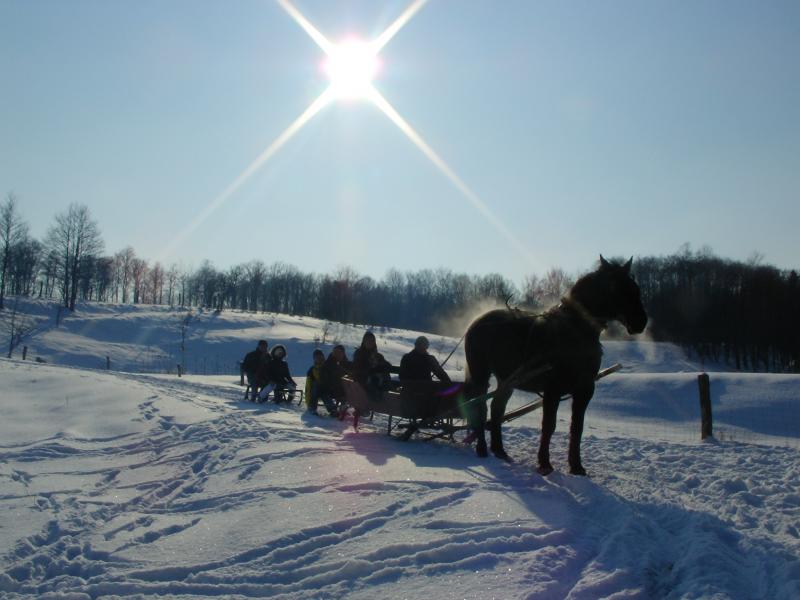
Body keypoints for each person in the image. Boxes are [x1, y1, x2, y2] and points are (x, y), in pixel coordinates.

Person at [352, 331, 394, 399]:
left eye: (372, 340)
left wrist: (381, 366)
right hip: (364, 385)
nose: (370, 342)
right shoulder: (359, 354)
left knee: (384, 377)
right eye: (368, 340)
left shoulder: (377, 355)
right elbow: (359, 370)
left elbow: (387, 366)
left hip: (377, 385)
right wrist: (373, 370)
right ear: (364, 342)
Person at [321, 344, 351, 416]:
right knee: (322, 391)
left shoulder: (347, 364)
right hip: (330, 389)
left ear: (343, 354)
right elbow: (323, 377)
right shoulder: (328, 363)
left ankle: (344, 408)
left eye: (340, 353)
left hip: (343, 390)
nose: (337, 355)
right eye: (336, 352)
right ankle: (333, 409)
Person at [305, 349, 337, 416]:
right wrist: (308, 402)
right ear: (314, 359)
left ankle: (332, 409)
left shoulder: (327, 367)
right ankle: (312, 407)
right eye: (317, 357)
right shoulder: (312, 370)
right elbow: (308, 386)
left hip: (328, 389)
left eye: (320, 357)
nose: (319, 359)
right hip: (315, 391)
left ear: (323, 357)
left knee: (323, 392)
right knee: (316, 385)